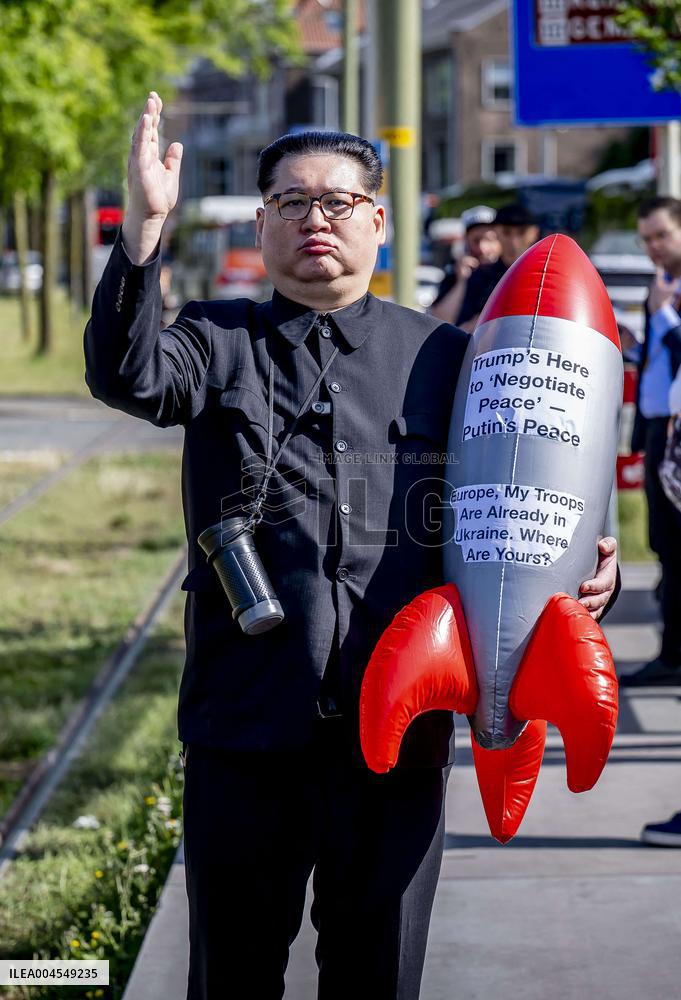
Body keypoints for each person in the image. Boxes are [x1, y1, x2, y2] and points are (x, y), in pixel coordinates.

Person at [83, 92, 620, 999]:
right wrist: (143, 234)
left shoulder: (449, 358)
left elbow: (526, 486)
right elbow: (126, 375)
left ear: (378, 219)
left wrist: (579, 569)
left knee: (377, 976)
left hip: (396, 738)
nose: (313, 220)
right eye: (289, 203)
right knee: (232, 976)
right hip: (245, 727)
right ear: (262, 224)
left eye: (334, 201)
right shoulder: (216, 342)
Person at [620, 196, 681, 689]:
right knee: (665, 544)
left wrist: (663, 319)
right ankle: (671, 651)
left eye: (662, 235)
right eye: (646, 238)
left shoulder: (666, 297)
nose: (653, 247)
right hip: (660, 428)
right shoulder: (658, 287)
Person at [455, 202, 540, 332]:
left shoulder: (544, 275)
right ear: (496, 233)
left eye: (521, 233)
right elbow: (460, 330)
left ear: (533, 233)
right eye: (507, 232)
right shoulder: (479, 276)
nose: (514, 241)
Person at [429, 205, 499, 324]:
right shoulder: (456, 272)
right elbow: (438, 321)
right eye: (476, 240)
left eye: (489, 239)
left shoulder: (511, 271)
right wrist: (462, 281)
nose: (483, 248)